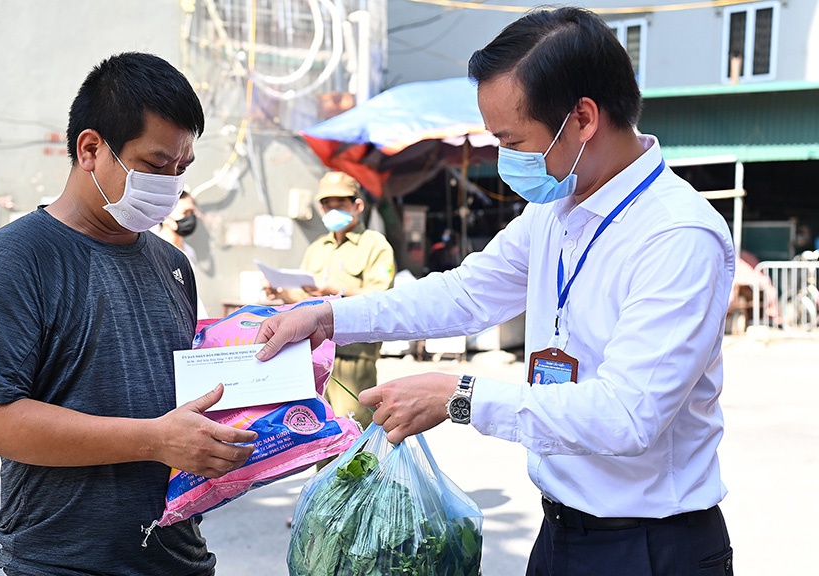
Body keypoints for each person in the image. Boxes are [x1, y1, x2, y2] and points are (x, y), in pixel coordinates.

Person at [255, 7, 735, 575]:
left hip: (650, 548)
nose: (507, 158)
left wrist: (458, 395)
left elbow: (627, 416)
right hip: (560, 532)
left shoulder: (677, 235)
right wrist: (328, 316)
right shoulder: (555, 209)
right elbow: (465, 294)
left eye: (514, 139)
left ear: (582, 118)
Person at [0, 53, 257, 576]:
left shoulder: (173, 264)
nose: (172, 184)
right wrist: (154, 440)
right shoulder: (17, 259)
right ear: (90, 149)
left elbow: (177, 401)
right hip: (63, 563)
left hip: (179, 556)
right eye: (156, 166)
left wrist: (269, 418)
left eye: (182, 170)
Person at [265, 170, 395, 433]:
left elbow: (383, 297)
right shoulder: (316, 248)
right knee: (319, 436)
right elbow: (305, 301)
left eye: (341, 204)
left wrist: (337, 289)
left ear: (358, 205)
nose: (333, 210)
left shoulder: (375, 245)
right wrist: (282, 293)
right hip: (312, 356)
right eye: (327, 204)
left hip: (353, 357)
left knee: (354, 436)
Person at [155, 190, 209, 319]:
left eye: (192, 212)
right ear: (166, 216)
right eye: (185, 213)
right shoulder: (154, 251)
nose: (189, 217)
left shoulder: (189, 251)